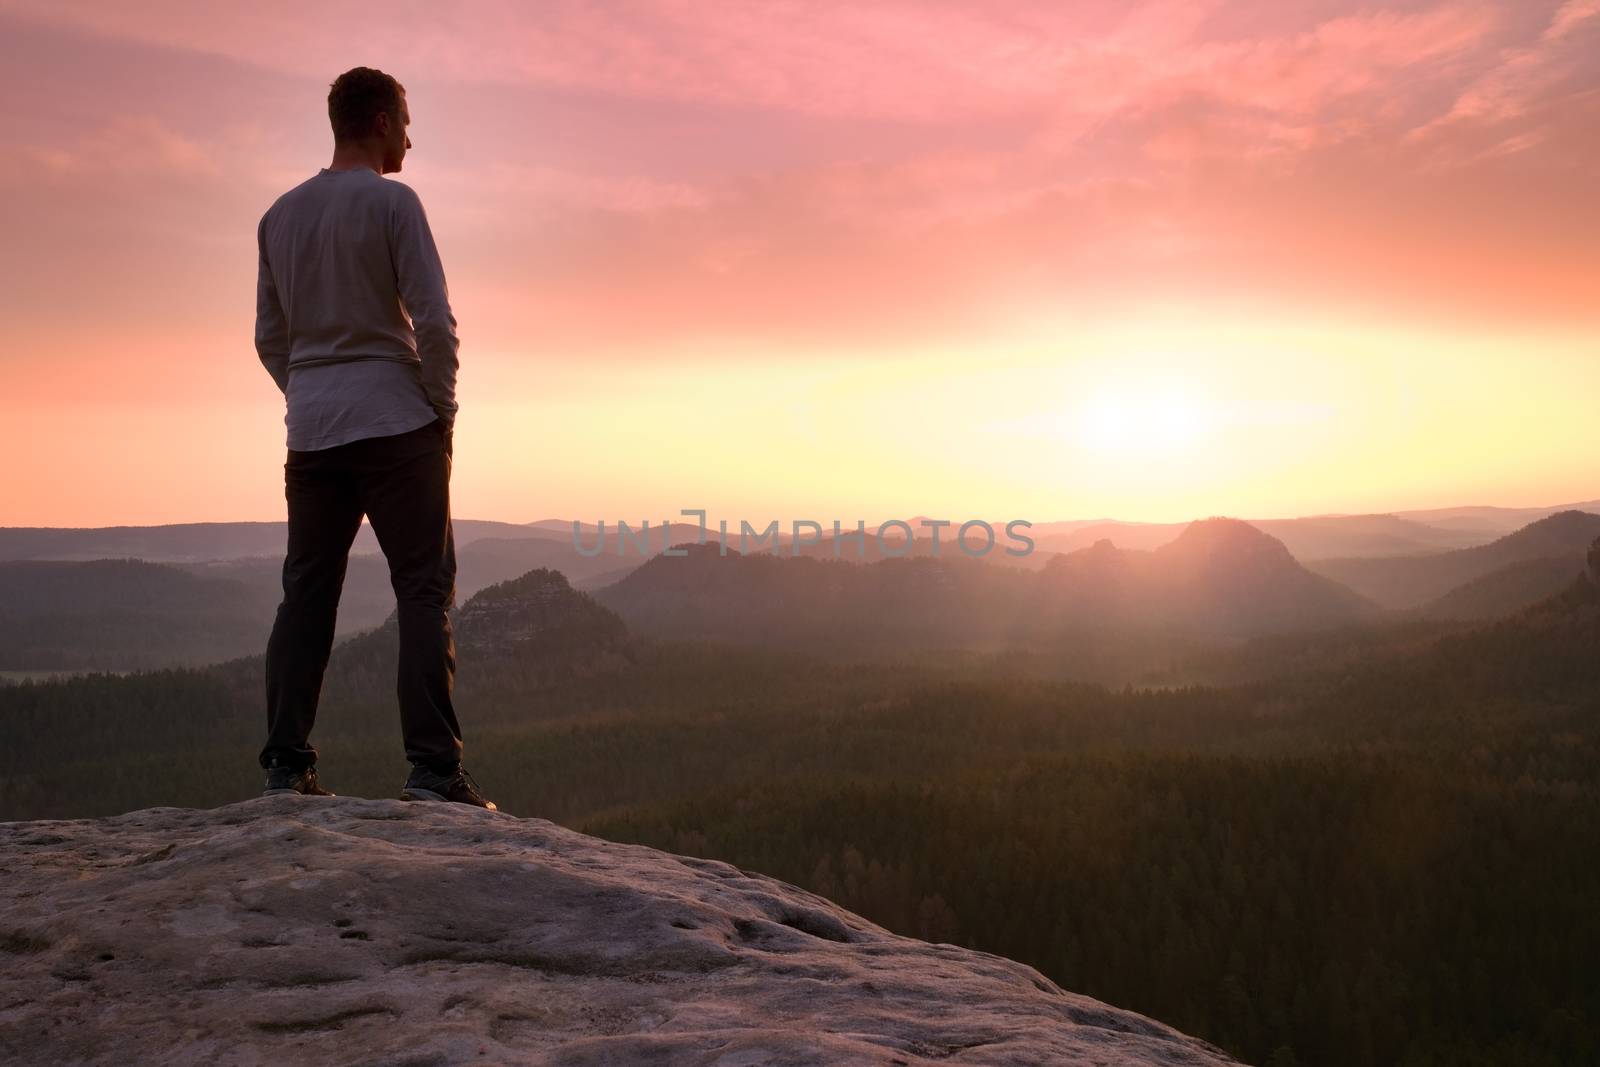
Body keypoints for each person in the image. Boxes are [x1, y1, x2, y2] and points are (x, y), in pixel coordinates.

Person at [254, 66, 494, 810]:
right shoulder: (394, 204)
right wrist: (440, 411)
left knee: (307, 593)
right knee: (422, 590)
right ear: (383, 121)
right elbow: (435, 322)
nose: (412, 140)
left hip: (315, 431)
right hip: (398, 423)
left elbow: (270, 337)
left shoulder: (279, 217)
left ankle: (286, 767)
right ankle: (431, 771)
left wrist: (311, 394)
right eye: (408, 122)